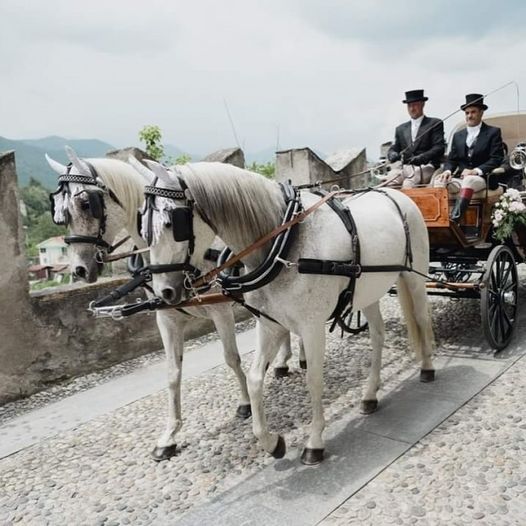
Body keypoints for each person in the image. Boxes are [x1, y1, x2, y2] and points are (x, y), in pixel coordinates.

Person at [433, 93, 504, 222]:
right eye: (467, 113)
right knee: (439, 181)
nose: (469, 116)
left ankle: (454, 220)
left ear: (481, 113)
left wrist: (476, 170)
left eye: (473, 112)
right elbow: (451, 160)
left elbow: (496, 158)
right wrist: (447, 171)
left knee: (469, 180)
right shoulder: (458, 136)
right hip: (460, 179)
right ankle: (439, 221)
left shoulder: (493, 132)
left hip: (483, 179)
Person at [387, 89, 445, 187]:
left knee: (408, 183)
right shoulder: (400, 128)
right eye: (409, 106)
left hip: (427, 166)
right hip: (406, 168)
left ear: (422, 104)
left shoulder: (435, 123)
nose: (412, 109)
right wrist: (392, 153)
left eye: (415, 105)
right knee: (389, 179)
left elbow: (439, 148)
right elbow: (395, 147)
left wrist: (422, 157)